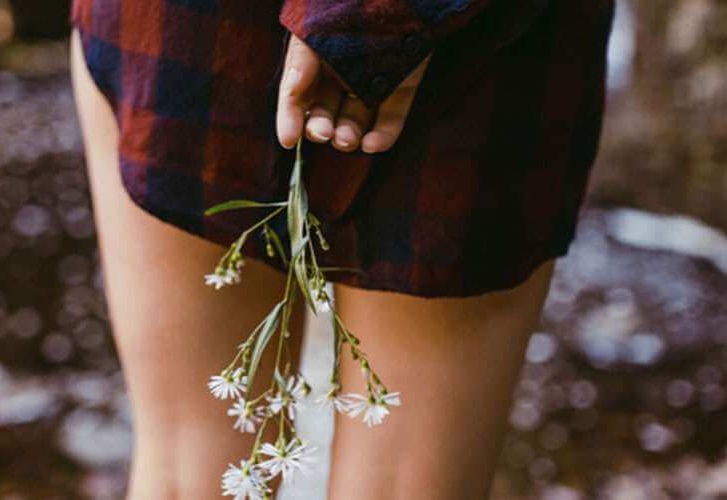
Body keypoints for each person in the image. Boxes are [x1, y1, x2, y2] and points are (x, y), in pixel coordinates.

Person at [69, 0, 616, 498]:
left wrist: (360, 21)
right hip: (469, 49)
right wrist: (365, 19)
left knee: (190, 473)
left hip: (196, 26)